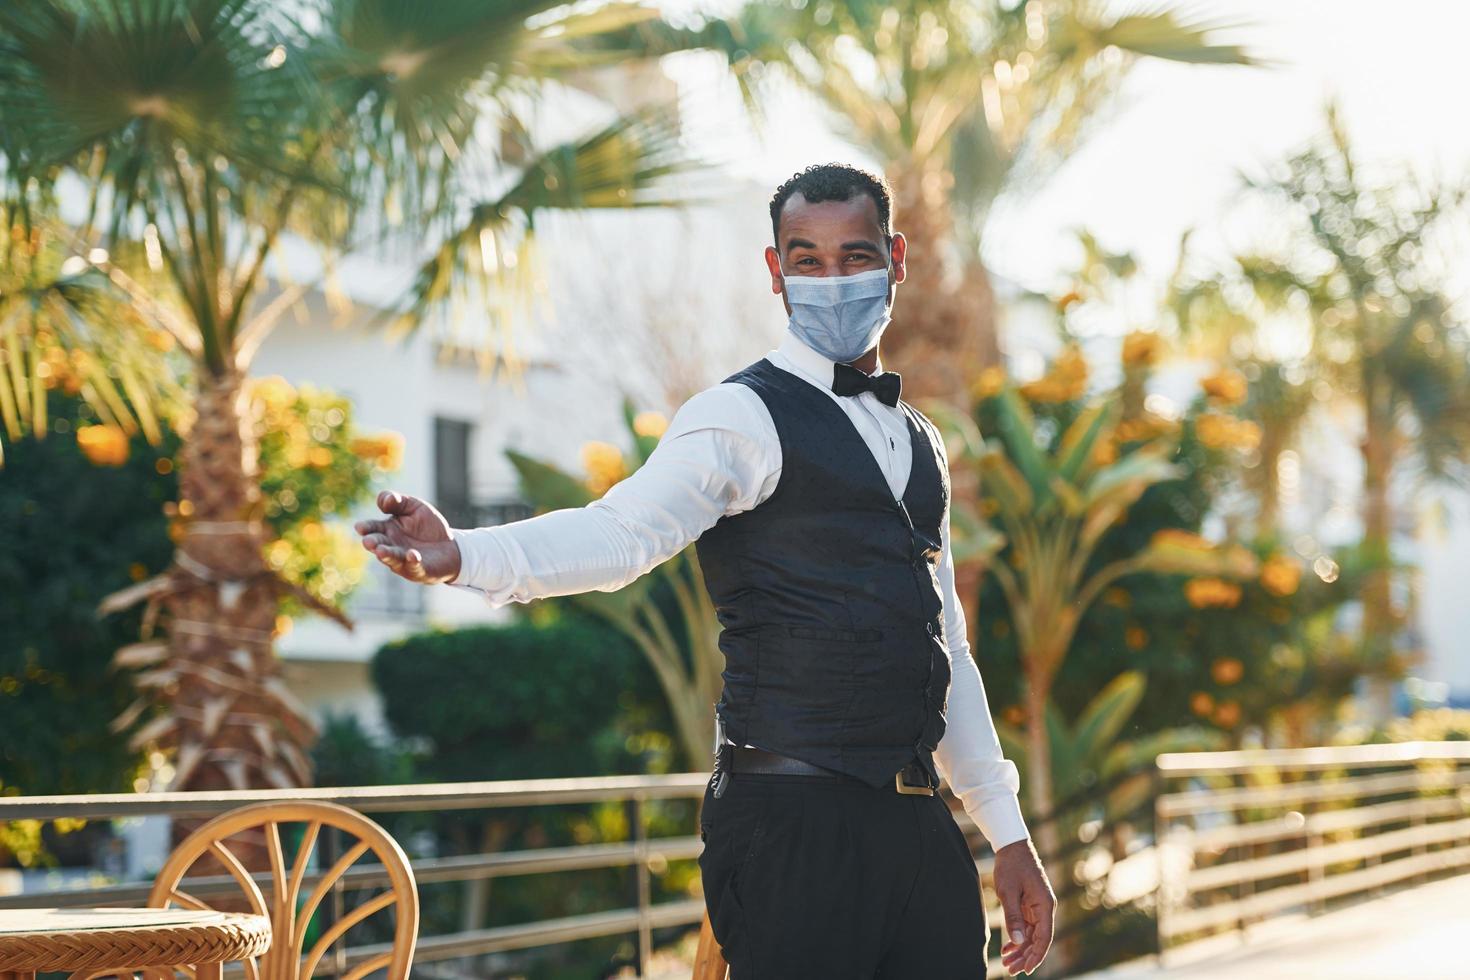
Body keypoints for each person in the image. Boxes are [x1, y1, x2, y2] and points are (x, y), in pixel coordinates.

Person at [356, 162, 1056, 978]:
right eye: (807, 260)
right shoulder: (740, 416)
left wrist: (1006, 832)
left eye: (855, 258)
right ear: (775, 271)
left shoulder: (924, 444)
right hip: (789, 822)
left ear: (896, 259)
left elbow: (949, 649)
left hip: (917, 829)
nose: (832, 280)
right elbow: (620, 534)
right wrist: (464, 554)